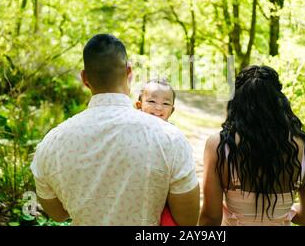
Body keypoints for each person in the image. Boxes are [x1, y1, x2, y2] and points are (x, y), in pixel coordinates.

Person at [30, 34, 200, 225]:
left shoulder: (50, 144)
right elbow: (188, 221)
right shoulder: (169, 138)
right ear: (129, 72)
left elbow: (58, 214)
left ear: (85, 78)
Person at [199, 65, 305, 226]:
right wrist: (284, 211)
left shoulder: (219, 146)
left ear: (236, 101)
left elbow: (210, 218)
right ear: (279, 101)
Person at [135, 78, 178, 225]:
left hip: (163, 198)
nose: (159, 108)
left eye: (166, 103)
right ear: (139, 105)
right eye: (152, 102)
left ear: (172, 110)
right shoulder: (132, 131)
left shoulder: (173, 137)